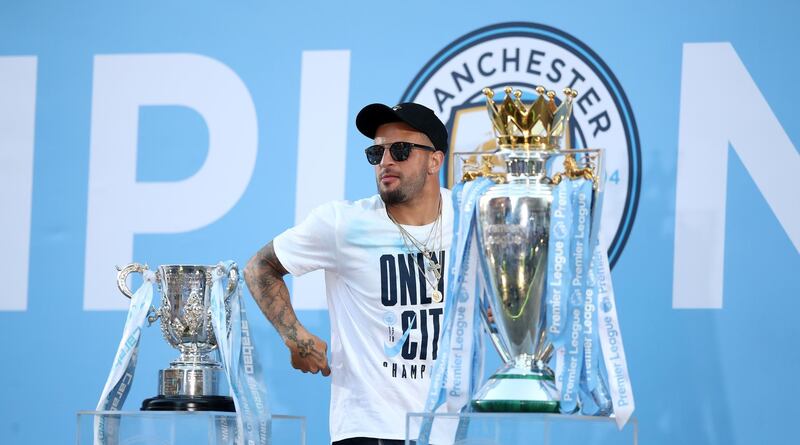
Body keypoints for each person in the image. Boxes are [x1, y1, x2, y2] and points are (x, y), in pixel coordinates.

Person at [243, 102, 453, 445]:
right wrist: (294, 335)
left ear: (435, 160)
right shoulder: (344, 224)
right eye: (377, 152)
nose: (385, 161)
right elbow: (259, 268)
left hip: (448, 433)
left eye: (400, 150)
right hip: (368, 431)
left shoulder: (471, 219)